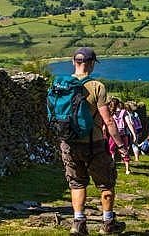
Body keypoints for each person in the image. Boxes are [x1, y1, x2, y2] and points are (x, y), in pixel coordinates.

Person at [60, 47, 126, 235]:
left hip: (69, 143)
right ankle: (108, 223)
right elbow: (109, 120)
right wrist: (121, 146)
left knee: (77, 182)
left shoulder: (61, 85)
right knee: (106, 183)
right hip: (94, 142)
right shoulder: (97, 87)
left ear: (74, 62)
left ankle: (78, 223)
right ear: (90, 64)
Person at [108, 98, 136, 174]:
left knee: (111, 151)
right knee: (125, 151)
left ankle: (112, 166)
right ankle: (127, 169)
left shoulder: (110, 112)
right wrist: (134, 134)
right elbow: (129, 123)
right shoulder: (124, 112)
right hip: (123, 134)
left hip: (113, 135)